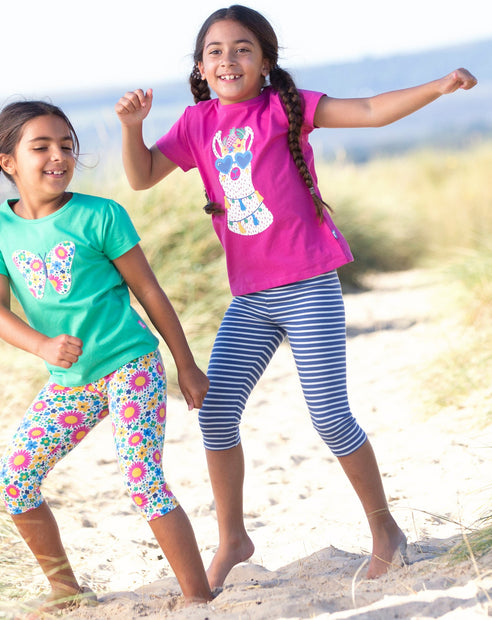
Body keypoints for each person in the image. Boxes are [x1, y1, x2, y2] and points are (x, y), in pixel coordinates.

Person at [115, 4, 477, 590]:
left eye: (242, 49)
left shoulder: (286, 107)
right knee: (217, 414)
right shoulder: (195, 123)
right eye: (215, 51)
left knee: (330, 416)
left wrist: (438, 85)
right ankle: (234, 537)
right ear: (201, 67)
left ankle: (386, 531)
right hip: (251, 298)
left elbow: (367, 111)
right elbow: (141, 176)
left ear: (264, 62)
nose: (228, 59)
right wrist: (132, 128)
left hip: (309, 285)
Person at [0, 100, 215, 615]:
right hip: (69, 380)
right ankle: (66, 588)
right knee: (16, 478)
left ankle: (199, 597)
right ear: (7, 161)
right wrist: (42, 345)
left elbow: (151, 293)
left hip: (130, 366)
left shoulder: (100, 215)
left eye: (67, 146)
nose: (59, 156)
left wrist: (185, 364)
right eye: (42, 146)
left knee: (142, 479)